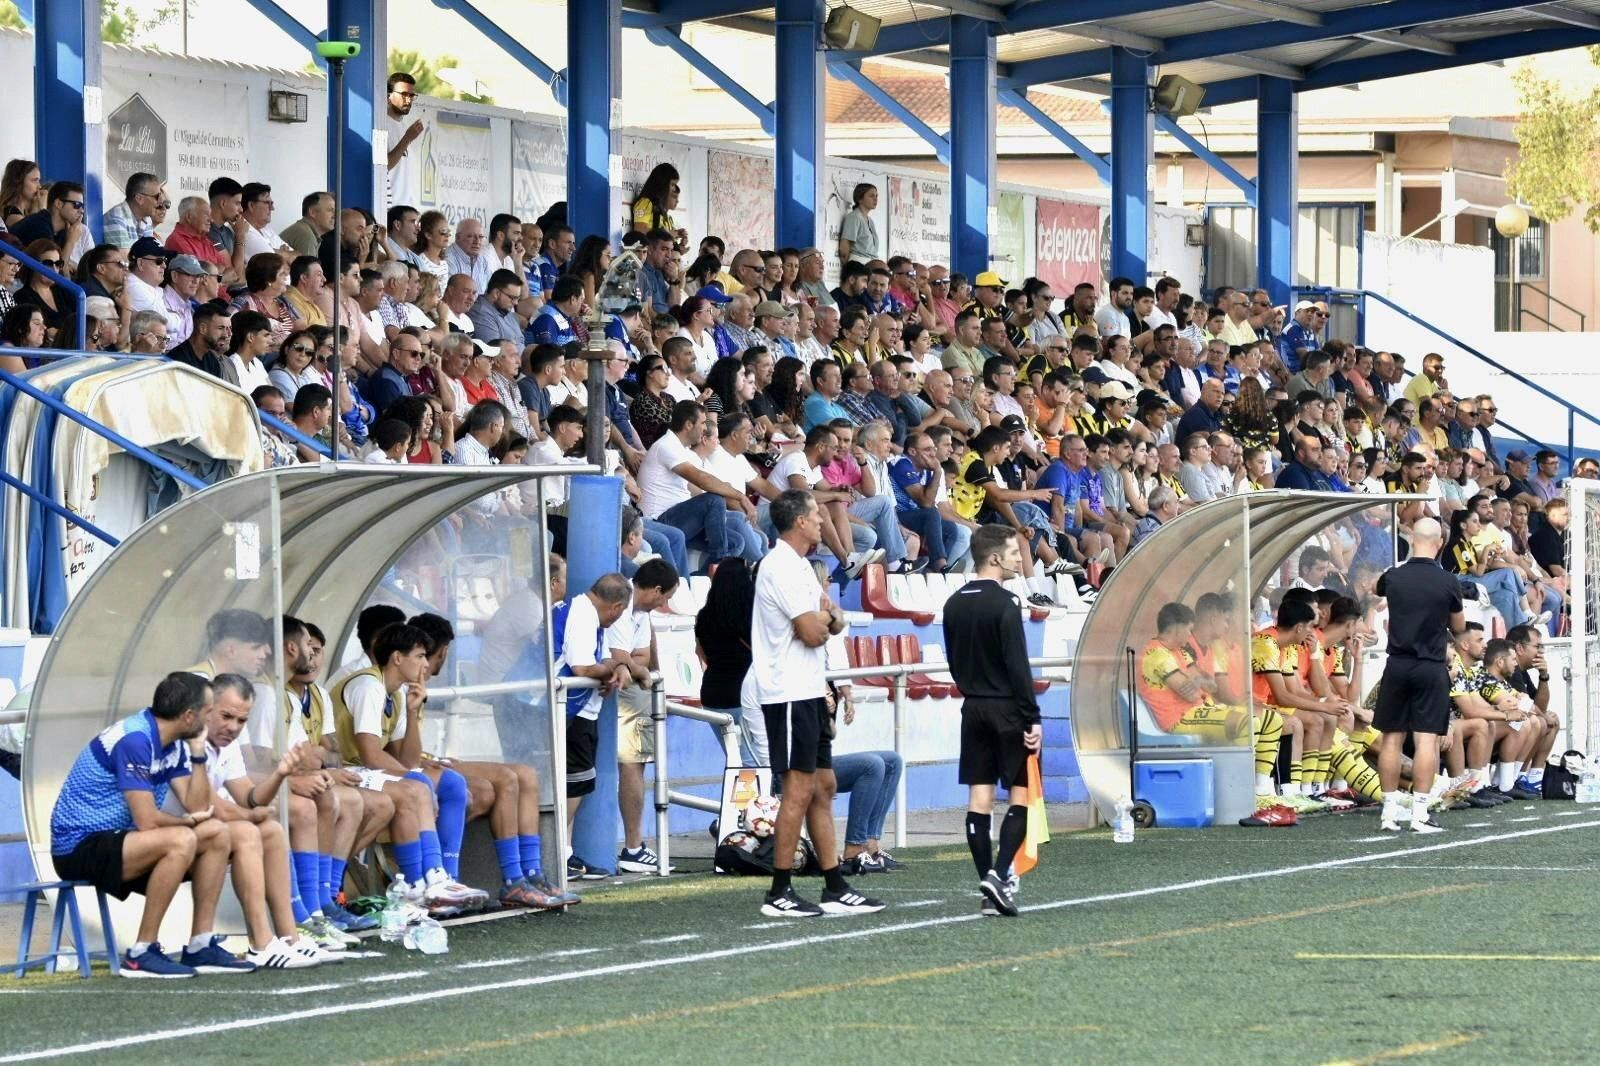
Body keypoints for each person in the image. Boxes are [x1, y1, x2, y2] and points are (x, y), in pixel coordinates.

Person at [49, 672, 245, 978]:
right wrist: (184, 822)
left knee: (217, 834)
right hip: (78, 846)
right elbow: (147, 820)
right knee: (181, 838)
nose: (211, 721)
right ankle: (142, 951)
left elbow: (197, 806)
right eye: (208, 713)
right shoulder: (135, 739)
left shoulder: (175, 742)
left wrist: (197, 755)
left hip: (119, 840)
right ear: (188, 716)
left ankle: (200, 945)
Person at [754, 490, 884, 918]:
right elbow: (814, 631)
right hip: (788, 692)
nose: (821, 521)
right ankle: (779, 891)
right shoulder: (780, 566)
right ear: (798, 521)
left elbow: (832, 620)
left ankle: (834, 885)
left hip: (808, 691)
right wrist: (826, 619)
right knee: (798, 789)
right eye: (815, 515)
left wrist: (825, 619)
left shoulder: (801, 568)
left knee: (823, 786)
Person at [942, 525, 1041, 917]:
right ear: (995, 558)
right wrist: (1032, 717)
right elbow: (1018, 666)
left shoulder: (953, 603)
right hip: (1008, 709)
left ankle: (989, 890)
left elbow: (953, 662)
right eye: (1014, 552)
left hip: (973, 708)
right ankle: (999, 875)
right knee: (1021, 795)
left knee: (979, 799)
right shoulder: (1007, 602)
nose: (1019, 558)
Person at [1374, 517, 1465, 834]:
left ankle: (1388, 813)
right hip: (1430, 664)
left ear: (1412, 539)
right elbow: (1459, 627)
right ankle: (1419, 813)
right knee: (1426, 739)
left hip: (1397, 663)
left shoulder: (1394, 576)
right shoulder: (1448, 581)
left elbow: (1375, 589)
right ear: (1440, 543)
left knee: (1391, 738)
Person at [552, 573, 633, 877]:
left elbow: (602, 661)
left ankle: (565, 852)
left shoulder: (583, 611)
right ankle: (556, 852)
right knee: (575, 782)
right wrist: (610, 672)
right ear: (616, 607)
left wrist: (614, 667)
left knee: (576, 781)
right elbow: (583, 667)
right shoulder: (583, 615)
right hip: (567, 708)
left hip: (574, 708)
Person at [611, 560, 681, 873]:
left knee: (633, 765)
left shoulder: (639, 612)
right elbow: (618, 656)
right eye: (666, 598)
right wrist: (636, 668)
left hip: (626, 690)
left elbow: (641, 656)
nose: (664, 605)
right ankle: (632, 846)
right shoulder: (620, 601)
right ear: (655, 590)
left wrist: (633, 666)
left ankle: (633, 845)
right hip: (621, 692)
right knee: (632, 764)